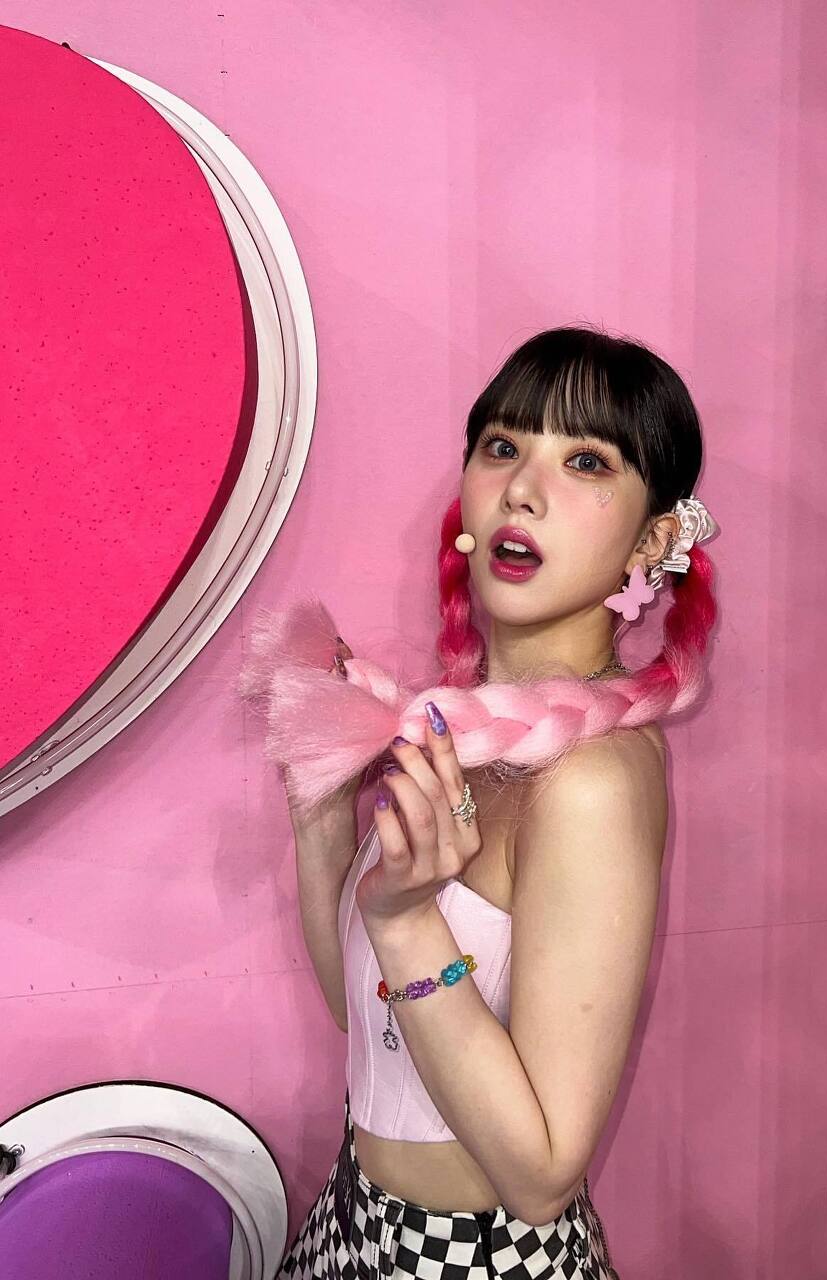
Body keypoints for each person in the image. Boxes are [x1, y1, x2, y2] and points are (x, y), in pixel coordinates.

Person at [242, 324, 719, 1279]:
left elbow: (541, 1179)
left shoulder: (592, 783)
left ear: (654, 541)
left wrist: (408, 919)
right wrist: (320, 819)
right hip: (351, 1222)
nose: (523, 489)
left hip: (474, 1259)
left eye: (586, 461)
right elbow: (365, 1017)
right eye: (503, 446)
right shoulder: (459, 735)